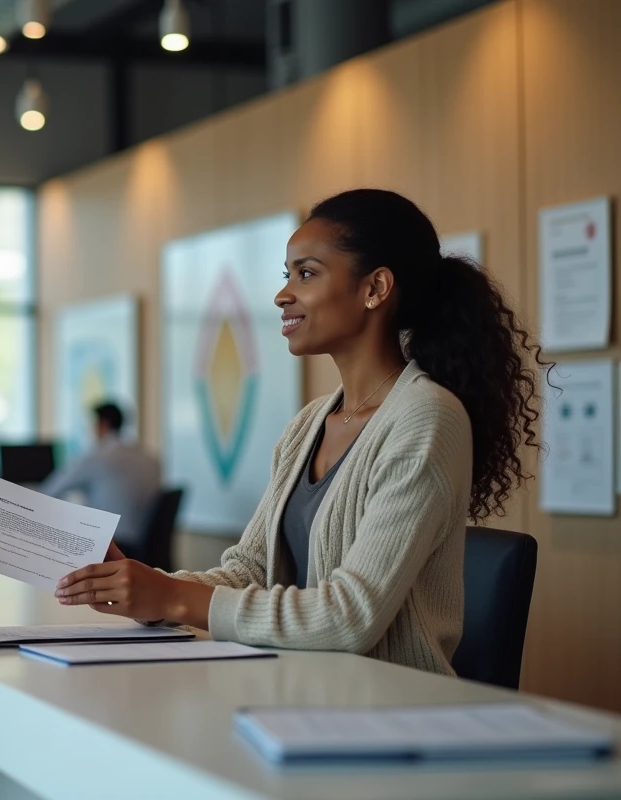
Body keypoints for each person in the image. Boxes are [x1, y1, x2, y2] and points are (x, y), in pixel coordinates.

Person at [55, 189, 546, 676]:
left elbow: (351, 617)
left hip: (387, 709)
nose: (282, 294)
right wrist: (145, 591)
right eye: (286, 275)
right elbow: (249, 571)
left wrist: (176, 598)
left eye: (306, 273)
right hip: (298, 690)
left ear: (375, 288)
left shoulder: (427, 418)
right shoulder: (308, 425)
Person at [41, 402, 161, 552]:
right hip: (145, 546)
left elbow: (50, 490)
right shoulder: (149, 457)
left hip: (111, 546)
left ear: (102, 424)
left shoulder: (98, 456)